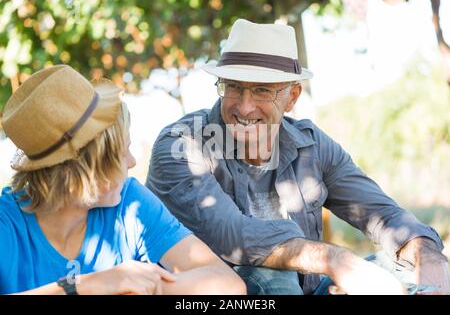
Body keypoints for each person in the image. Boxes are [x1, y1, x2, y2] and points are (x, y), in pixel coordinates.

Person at [146, 19, 450, 295]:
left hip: (306, 290)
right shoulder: (180, 145)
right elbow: (231, 235)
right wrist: (334, 258)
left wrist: (427, 256)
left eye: (262, 90)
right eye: (233, 88)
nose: (244, 106)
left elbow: (385, 217)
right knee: (275, 278)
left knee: (405, 267)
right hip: (225, 295)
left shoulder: (311, 144)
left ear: (292, 97)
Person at [0, 65, 246, 295]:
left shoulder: (131, 204)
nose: (132, 162)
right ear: (86, 168)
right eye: (123, 152)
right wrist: (88, 285)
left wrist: (145, 284)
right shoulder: (6, 224)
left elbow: (229, 285)